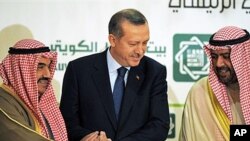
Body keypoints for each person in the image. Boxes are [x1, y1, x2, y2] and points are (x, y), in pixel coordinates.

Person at [60, 8, 170, 141]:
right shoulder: (79, 70)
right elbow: (66, 123)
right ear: (113, 40)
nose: (140, 51)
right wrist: (88, 137)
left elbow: (159, 126)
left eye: (145, 43)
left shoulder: (154, 72)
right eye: (133, 43)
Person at [179, 26, 250, 141]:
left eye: (226, 56)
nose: (218, 64)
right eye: (214, 57)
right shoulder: (200, 92)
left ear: (243, 57)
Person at [0, 39, 68, 141]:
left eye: (49, 67)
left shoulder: (46, 104)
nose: (48, 74)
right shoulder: (3, 102)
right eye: (40, 67)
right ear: (19, 70)